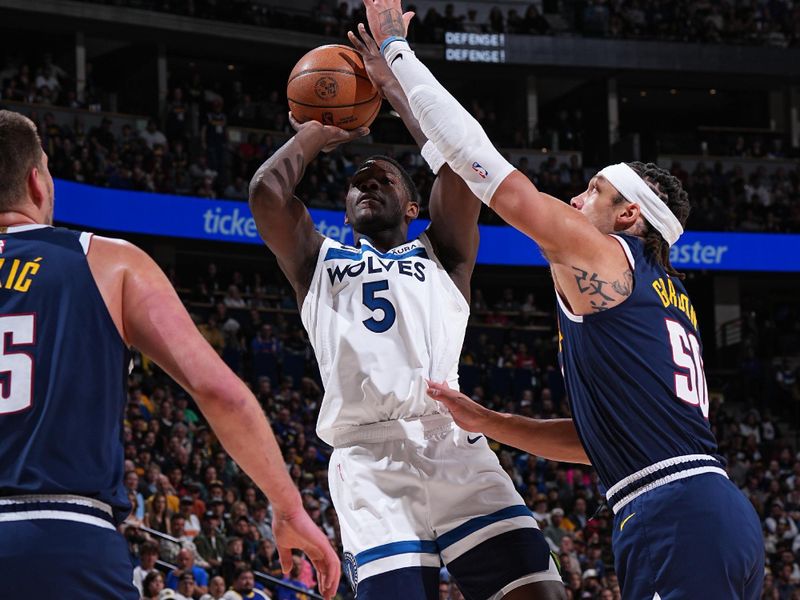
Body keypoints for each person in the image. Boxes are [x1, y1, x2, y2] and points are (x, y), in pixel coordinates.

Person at [358, 2, 766, 597]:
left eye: (593, 190)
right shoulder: (663, 292)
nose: (576, 197)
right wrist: (488, 421)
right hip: (693, 509)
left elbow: (489, 173)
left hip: (678, 516)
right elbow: (596, 439)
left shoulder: (608, 254)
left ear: (629, 216)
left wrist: (400, 53)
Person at [248, 24, 563, 600]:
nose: (366, 184)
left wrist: (394, 88)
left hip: (452, 441)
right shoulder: (316, 260)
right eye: (357, 183)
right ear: (343, 211)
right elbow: (267, 194)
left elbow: (462, 166)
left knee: (539, 594)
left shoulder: (444, 253)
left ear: (413, 205)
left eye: (383, 178)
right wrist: (317, 131)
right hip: (367, 459)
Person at [0, 110, 339, 599]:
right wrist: (287, 507)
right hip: (66, 536)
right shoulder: (110, 263)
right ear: (36, 182)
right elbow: (219, 392)